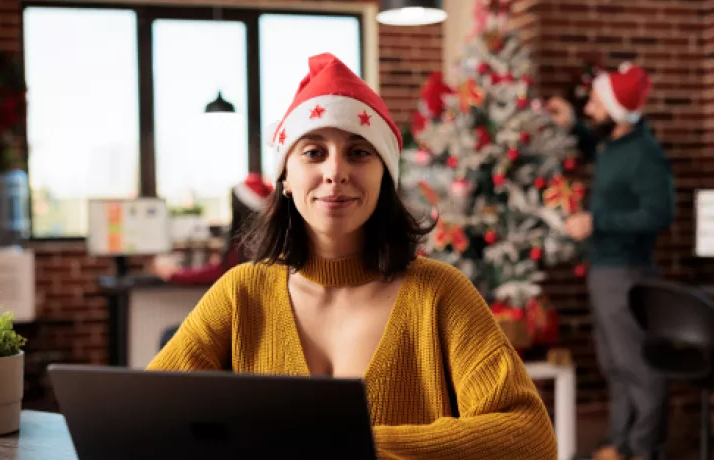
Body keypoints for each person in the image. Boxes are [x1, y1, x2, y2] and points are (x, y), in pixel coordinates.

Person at [148, 53, 556, 459]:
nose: (335, 172)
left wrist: (357, 445)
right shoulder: (240, 294)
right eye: (313, 152)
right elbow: (146, 417)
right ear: (285, 178)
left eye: (359, 153)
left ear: (385, 175)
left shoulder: (440, 294)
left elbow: (530, 437)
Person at [548, 63, 675, 460]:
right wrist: (572, 124)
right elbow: (594, 144)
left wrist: (595, 220)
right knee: (613, 363)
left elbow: (659, 215)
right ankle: (619, 442)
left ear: (616, 110)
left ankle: (642, 448)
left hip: (625, 272)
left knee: (637, 366)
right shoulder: (614, 143)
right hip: (604, 269)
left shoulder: (645, 155)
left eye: (596, 102)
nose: (589, 107)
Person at [154, 173, 273, 348]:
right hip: (252, 328)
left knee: (169, 337)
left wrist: (174, 274)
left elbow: (218, 273)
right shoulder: (263, 241)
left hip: (245, 332)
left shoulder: (245, 247)